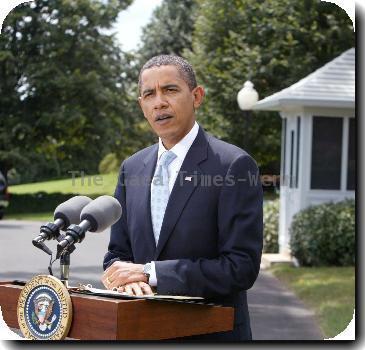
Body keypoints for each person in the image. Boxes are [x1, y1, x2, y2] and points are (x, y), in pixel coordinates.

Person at [102, 55, 263, 341]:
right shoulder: (132, 168)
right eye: (149, 94)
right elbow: (118, 256)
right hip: (141, 332)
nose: (159, 102)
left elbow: (241, 267)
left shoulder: (233, 165)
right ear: (142, 105)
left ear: (196, 96)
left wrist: (151, 274)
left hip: (211, 335)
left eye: (170, 90)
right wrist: (124, 280)